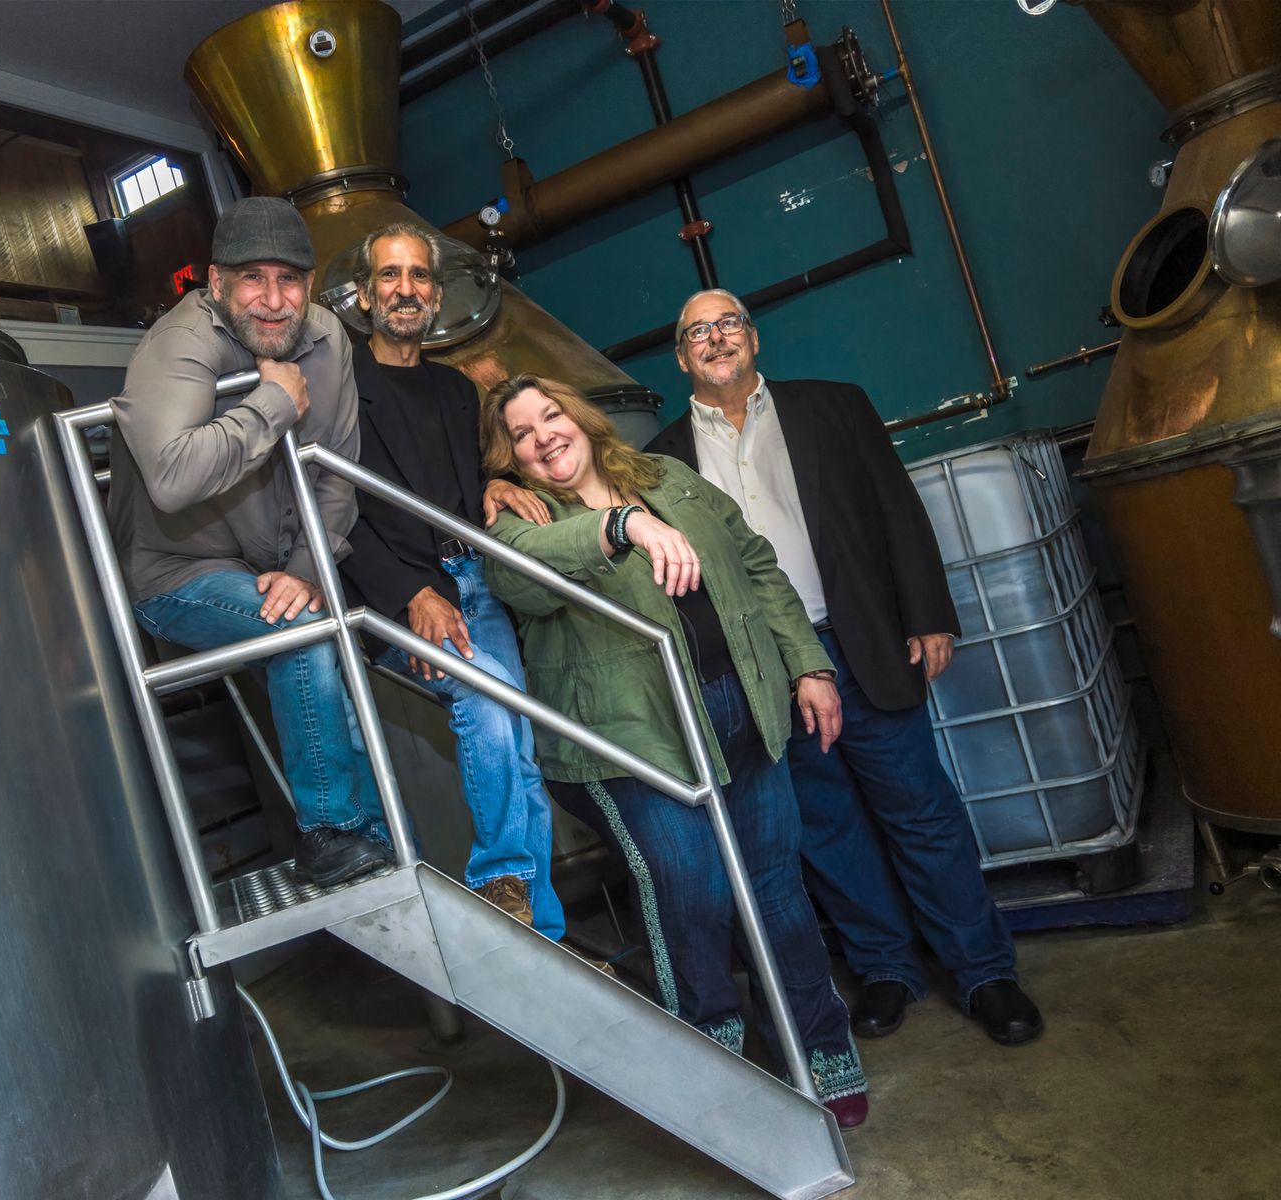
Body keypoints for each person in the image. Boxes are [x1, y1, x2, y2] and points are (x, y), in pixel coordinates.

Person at [649, 288, 1043, 1046]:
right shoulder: (662, 460)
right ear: (680, 356)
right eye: (698, 331)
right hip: (769, 671)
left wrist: (928, 613)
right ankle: (886, 967)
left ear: (753, 338)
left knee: (920, 810)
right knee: (826, 827)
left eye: (729, 323)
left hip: (863, 643)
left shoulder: (834, 405)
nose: (716, 338)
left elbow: (896, 508)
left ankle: (983, 970)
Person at [479, 374, 869, 1128]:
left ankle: (817, 1045)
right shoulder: (522, 521)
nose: (543, 436)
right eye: (521, 433)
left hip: (740, 707)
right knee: (692, 893)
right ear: (511, 457)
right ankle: (712, 1064)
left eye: (551, 415)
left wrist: (808, 665)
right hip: (631, 741)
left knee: (776, 888)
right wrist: (623, 526)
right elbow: (521, 580)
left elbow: (755, 564)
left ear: (580, 419)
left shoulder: (666, 475)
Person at [108, 196, 390, 889]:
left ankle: (378, 843)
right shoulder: (179, 342)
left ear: (310, 283)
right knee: (302, 631)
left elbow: (338, 473)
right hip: (178, 574)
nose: (272, 299)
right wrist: (272, 404)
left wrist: (306, 568)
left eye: (289, 280)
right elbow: (171, 476)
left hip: (277, 565)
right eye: (251, 279)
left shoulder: (326, 337)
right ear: (216, 281)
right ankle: (329, 835)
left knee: (321, 647)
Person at [338, 223, 569, 940]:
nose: (405, 289)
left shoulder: (455, 389)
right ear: (366, 294)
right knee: (488, 706)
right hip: (405, 595)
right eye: (390, 275)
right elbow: (332, 514)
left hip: (476, 581)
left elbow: (467, 477)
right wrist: (411, 596)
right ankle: (500, 879)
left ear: (436, 296)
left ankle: (542, 932)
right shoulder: (337, 390)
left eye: (418, 276)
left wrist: (495, 483)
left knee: (518, 749)